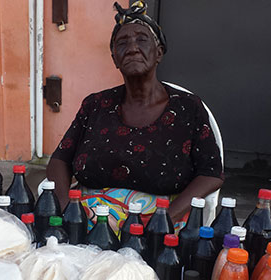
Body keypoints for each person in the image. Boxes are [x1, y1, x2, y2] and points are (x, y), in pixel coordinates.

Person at [45, 1, 224, 234]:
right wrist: (65, 207)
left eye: (142, 39)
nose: (132, 48)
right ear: (115, 58)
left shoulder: (188, 108)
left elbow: (211, 173)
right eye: (122, 43)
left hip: (162, 227)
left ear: (158, 52)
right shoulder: (95, 105)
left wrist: (163, 219)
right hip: (88, 222)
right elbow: (60, 159)